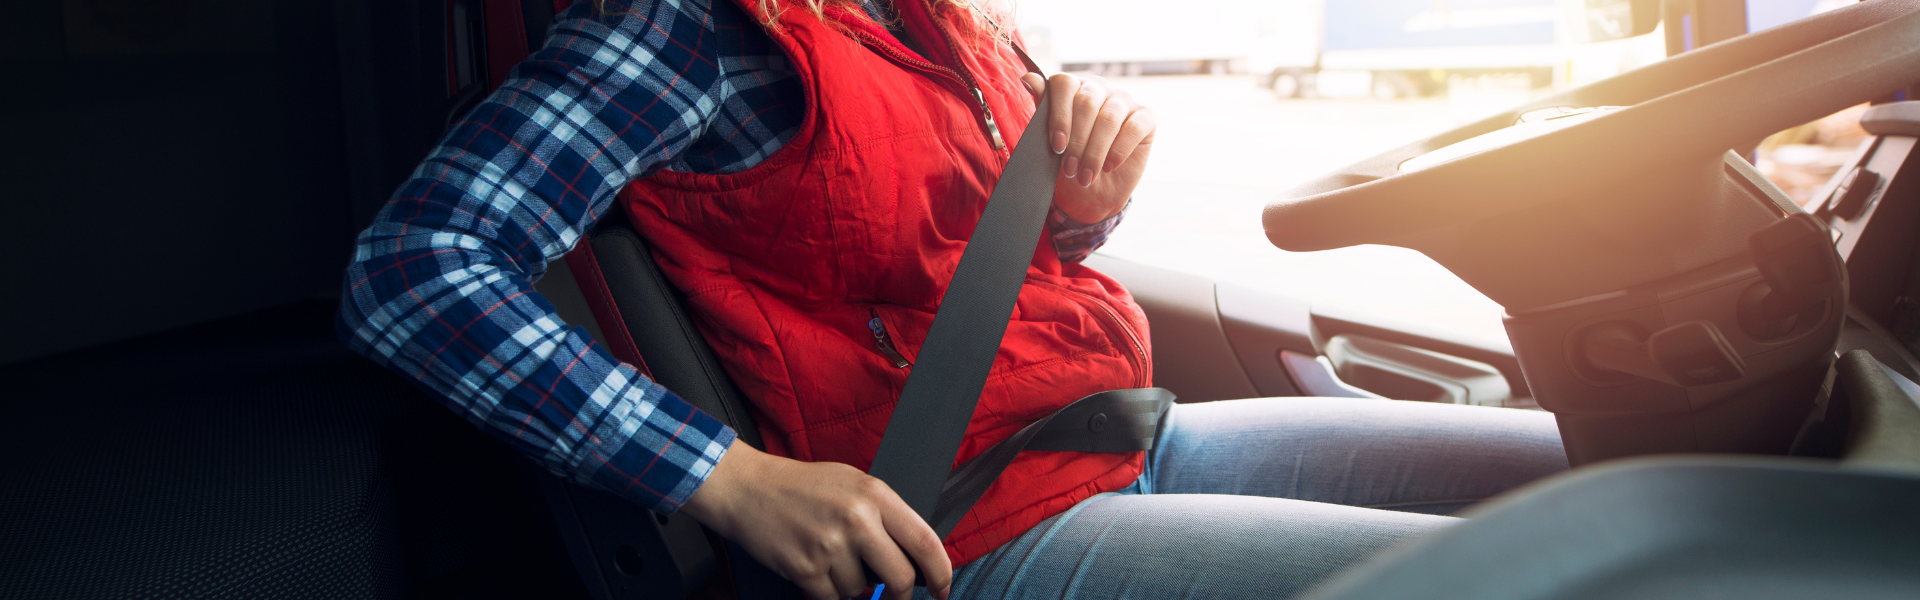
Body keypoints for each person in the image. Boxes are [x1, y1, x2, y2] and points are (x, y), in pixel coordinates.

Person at [336, 0, 1570, 598]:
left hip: (1116, 436)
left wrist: (1090, 194)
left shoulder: (943, 17)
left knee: (1589, 470)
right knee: (1569, 575)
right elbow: (411, 272)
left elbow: (975, 258)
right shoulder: (682, 31)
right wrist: (732, 479)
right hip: (961, 526)